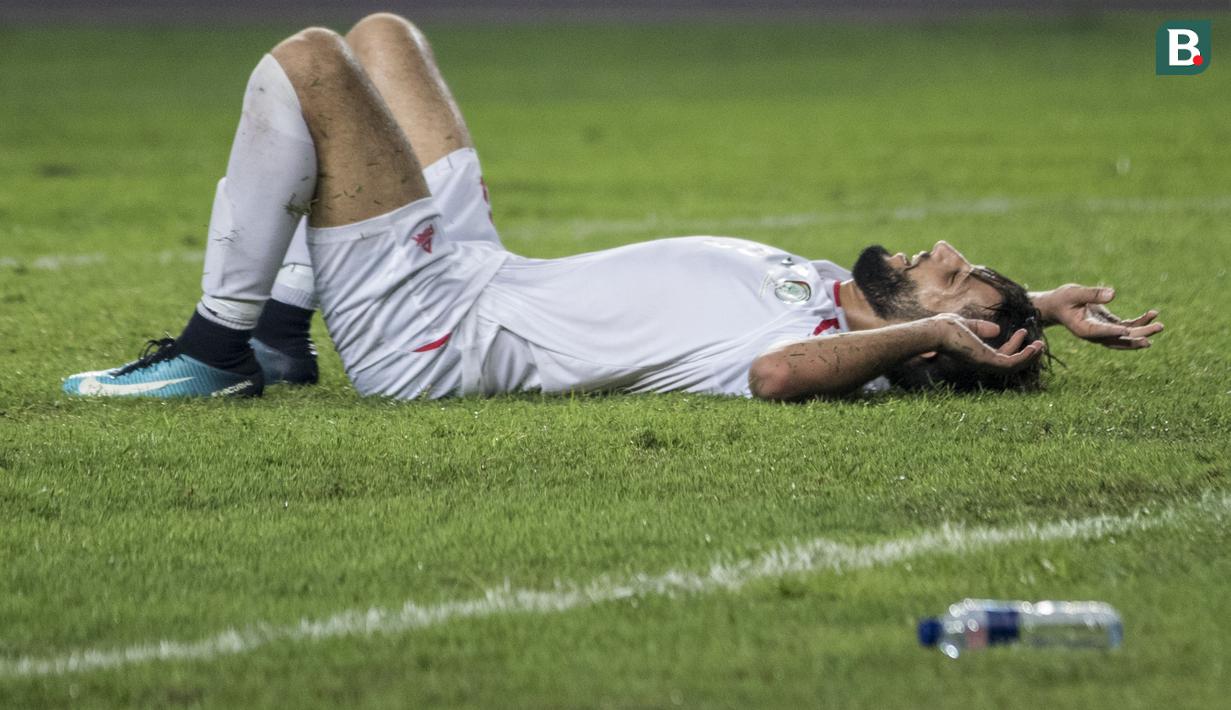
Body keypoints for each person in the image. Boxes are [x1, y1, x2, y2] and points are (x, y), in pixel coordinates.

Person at [62, 13, 1163, 402]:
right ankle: (281, 334)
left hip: (433, 332)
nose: (944, 250)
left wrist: (946, 333)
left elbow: (780, 378)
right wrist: (1037, 300)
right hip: (484, 269)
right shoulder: (841, 297)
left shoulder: (820, 346)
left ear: (934, 339)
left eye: (953, 277)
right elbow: (939, 317)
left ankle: (216, 350)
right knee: (383, 37)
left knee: (305, 64)